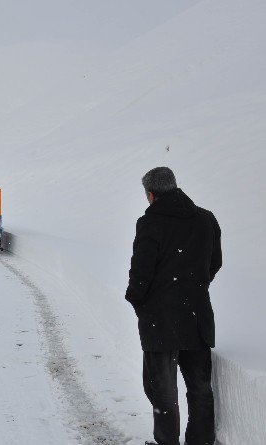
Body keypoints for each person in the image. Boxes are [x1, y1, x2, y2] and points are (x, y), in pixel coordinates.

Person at [126, 167, 221, 445]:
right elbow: (214, 263)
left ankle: (167, 442)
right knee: (200, 387)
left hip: (160, 319)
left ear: (151, 194)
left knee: (162, 391)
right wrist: (193, 288)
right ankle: (201, 441)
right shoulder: (206, 219)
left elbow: (141, 272)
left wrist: (137, 299)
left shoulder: (149, 223)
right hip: (197, 315)